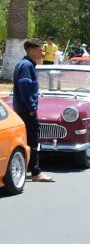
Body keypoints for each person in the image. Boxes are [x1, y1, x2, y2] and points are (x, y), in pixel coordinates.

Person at [11, 38, 54, 182]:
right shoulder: (26, 66)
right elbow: (25, 87)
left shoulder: (26, 64)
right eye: (39, 49)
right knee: (32, 140)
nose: (41, 52)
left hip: (22, 108)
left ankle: (29, 168)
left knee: (28, 140)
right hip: (26, 110)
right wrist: (31, 107)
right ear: (30, 50)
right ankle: (36, 173)